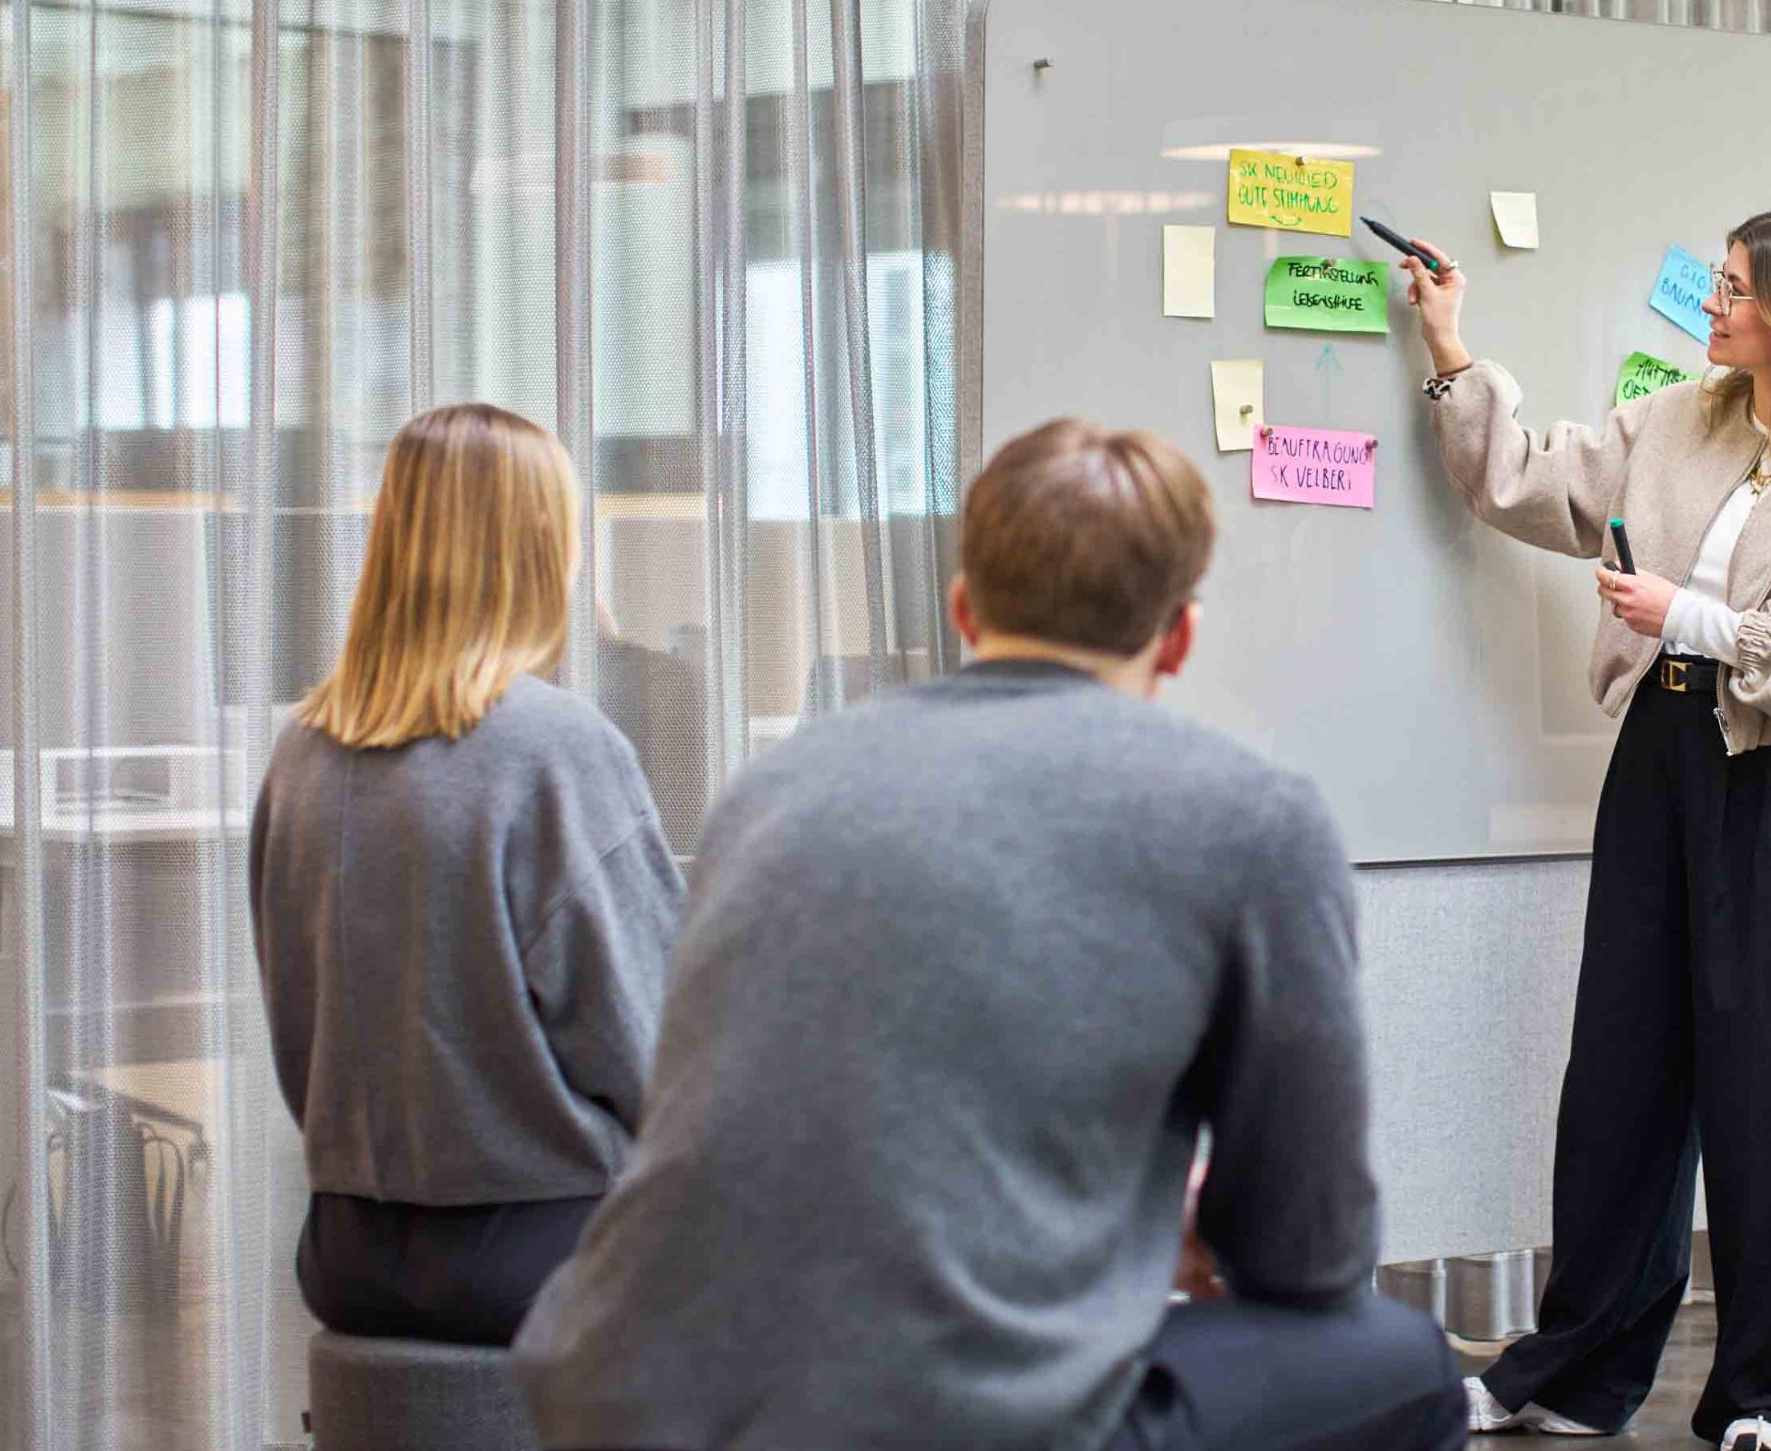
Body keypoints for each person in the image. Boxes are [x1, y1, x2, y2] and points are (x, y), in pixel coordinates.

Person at [513, 418, 1464, 1451]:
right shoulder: (1253, 819)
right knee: (1404, 1363)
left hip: (627, 1389)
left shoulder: (778, 784)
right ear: (1180, 635)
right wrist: (1165, 1217)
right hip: (939, 1416)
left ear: (964, 609)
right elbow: (1306, 1252)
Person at [1401, 212, 1771, 1451]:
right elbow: (1525, 479)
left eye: (1737, 286)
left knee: (1770, 1094)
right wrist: (1448, 345)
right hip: (1656, 759)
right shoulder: (1679, 419)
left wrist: (1689, 615)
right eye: (1716, 279)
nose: (1713, 302)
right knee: (1619, 1075)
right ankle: (1575, 1370)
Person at [250, 402, 686, 1347]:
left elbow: (298, 1036)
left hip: (346, 1249)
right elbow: (657, 1053)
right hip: (544, 1253)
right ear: (540, 549)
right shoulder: (557, 749)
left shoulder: (302, 754)